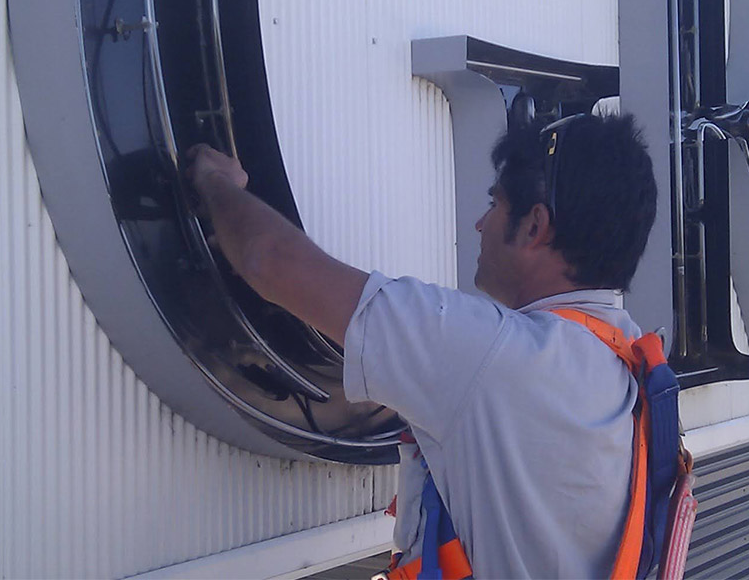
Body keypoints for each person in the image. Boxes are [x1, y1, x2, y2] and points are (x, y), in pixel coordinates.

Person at [187, 112, 659, 579]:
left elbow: (267, 260)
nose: (480, 223)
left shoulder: (495, 357)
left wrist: (216, 181)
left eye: (494, 204)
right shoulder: (626, 359)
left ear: (534, 227)